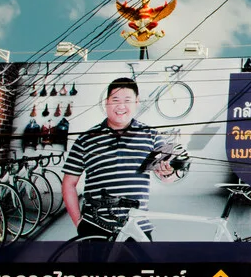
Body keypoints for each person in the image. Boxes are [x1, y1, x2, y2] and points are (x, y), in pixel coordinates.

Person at [62, 77, 188, 240]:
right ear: (106, 102)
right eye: (115, 100)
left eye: (127, 100)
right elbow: (68, 183)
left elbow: (165, 178)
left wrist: (168, 172)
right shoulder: (85, 139)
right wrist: (78, 222)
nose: (121, 106)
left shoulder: (151, 136)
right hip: (95, 226)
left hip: (137, 227)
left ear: (136, 102)